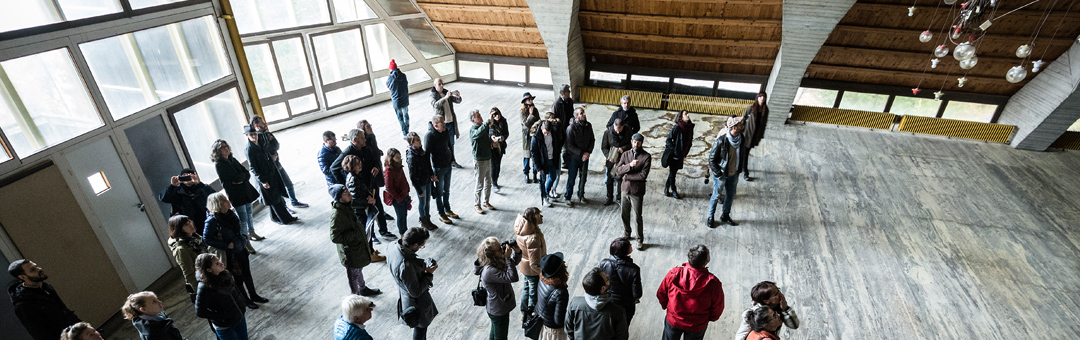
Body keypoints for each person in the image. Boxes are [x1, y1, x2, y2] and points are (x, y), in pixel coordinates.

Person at [204, 193, 266, 309]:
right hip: (231, 254)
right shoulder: (212, 221)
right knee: (238, 278)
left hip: (241, 249)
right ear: (218, 204)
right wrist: (226, 245)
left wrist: (243, 237)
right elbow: (206, 239)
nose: (228, 201)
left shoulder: (230, 213)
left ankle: (254, 295)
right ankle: (246, 300)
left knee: (247, 273)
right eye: (224, 200)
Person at [656, 245, 725, 340]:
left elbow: (661, 293)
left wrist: (667, 308)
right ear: (706, 262)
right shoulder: (713, 284)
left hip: (674, 320)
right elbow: (718, 307)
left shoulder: (674, 274)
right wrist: (708, 318)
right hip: (697, 325)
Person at [7, 259, 81, 340]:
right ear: (22, 277)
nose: (39, 269)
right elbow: (39, 334)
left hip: (75, 333)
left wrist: (82, 326)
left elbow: (64, 311)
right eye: (33, 270)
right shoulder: (23, 303)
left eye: (36, 266)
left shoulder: (47, 287)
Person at [329, 184, 381, 296]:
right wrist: (354, 234)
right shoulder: (337, 215)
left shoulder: (347, 206)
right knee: (353, 276)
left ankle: (362, 289)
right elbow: (334, 237)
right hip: (350, 253)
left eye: (347, 190)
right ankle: (357, 300)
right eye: (344, 193)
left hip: (357, 248)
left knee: (358, 271)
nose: (348, 192)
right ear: (339, 198)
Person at [386, 227, 439, 340]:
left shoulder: (393, 245)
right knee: (420, 328)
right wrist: (429, 274)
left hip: (403, 294)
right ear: (415, 245)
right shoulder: (406, 266)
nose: (420, 248)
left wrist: (419, 266)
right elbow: (416, 292)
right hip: (415, 303)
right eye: (421, 246)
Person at [244, 125, 297, 225]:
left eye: (255, 134)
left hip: (272, 173)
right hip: (264, 177)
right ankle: (285, 219)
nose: (254, 136)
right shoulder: (249, 149)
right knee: (274, 199)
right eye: (251, 135)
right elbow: (253, 168)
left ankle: (276, 218)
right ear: (247, 135)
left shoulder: (260, 143)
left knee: (275, 197)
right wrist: (262, 181)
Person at [250, 116, 307, 208]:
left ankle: (294, 201)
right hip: (270, 169)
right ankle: (285, 207)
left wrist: (271, 140)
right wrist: (270, 154)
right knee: (278, 188)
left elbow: (276, 146)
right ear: (257, 125)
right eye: (262, 123)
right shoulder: (256, 140)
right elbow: (263, 152)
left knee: (288, 183)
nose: (264, 124)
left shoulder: (267, 134)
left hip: (277, 164)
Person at [212, 139, 262, 241]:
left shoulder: (232, 159)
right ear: (217, 150)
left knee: (249, 213)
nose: (226, 149)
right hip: (236, 194)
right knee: (243, 218)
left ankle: (251, 232)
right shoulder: (219, 164)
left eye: (227, 146)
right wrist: (241, 177)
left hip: (245, 190)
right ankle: (245, 240)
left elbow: (246, 173)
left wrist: (241, 177)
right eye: (223, 147)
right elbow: (234, 179)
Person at [474, 237, 522, 340]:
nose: (502, 249)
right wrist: (508, 258)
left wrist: (517, 252)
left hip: (498, 306)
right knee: (501, 337)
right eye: (499, 249)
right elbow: (512, 276)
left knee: (495, 332)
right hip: (498, 309)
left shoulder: (493, 261)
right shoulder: (489, 271)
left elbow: (511, 265)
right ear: (492, 254)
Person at [194, 253, 249, 340]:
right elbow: (200, 311)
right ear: (208, 270)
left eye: (219, 261)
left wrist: (242, 304)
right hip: (225, 326)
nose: (221, 263)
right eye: (217, 264)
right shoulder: (204, 287)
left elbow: (236, 290)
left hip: (239, 317)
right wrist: (223, 316)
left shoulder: (225, 274)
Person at [564, 267, 628, 340]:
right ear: (603, 288)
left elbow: (569, 330)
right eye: (607, 278)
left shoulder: (574, 303)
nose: (609, 277)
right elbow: (622, 337)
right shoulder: (618, 312)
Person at [358, 120, 396, 239]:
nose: (370, 128)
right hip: (368, 181)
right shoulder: (364, 144)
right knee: (373, 207)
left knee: (378, 204)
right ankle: (373, 233)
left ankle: (382, 228)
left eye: (370, 126)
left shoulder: (372, 138)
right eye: (368, 127)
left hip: (375, 175)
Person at [342, 154, 387, 256]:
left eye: (359, 162)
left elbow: (363, 190)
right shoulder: (353, 179)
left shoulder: (357, 176)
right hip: (359, 211)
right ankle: (369, 254)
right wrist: (368, 201)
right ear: (351, 166)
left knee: (369, 231)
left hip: (363, 208)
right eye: (357, 164)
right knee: (365, 232)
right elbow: (355, 199)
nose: (360, 165)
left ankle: (370, 250)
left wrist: (369, 196)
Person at [707, 117, 746, 227]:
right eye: (740, 125)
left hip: (734, 174)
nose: (742, 126)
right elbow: (711, 159)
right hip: (722, 175)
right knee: (716, 195)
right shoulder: (721, 141)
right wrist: (718, 174)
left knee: (730, 195)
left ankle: (725, 215)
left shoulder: (741, 138)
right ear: (734, 127)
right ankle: (710, 216)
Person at [615, 133, 651, 250]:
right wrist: (629, 166)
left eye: (638, 142)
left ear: (641, 143)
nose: (636, 144)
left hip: (637, 191)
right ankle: (627, 232)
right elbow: (618, 170)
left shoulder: (646, 157)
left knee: (637, 217)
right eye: (634, 142)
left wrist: (627, 176)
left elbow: (643, 175)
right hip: (625, 190)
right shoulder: (625, 155)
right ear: (631, 142)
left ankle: (639, 239)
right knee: (624, 213)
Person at [597, 237, 642, 324]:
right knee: (623, 327)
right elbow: (637, 294)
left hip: (606, 302)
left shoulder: (604, 263)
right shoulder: (634, 269)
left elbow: (598, 282)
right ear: (625, 251)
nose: (631, 245)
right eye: (629, 245)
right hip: (626, 306)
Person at [734, 282, 799, 340]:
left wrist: (785, 309)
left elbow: (794, 325)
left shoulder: (778, 307)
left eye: (778, 290)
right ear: (766, 301)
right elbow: (741, 335)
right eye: (776, 294)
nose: (781, 295)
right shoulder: (754, 314)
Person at [158, 168, 215, 235]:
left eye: (189, 176)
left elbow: (215, 197)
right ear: (181, 178)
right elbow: (163, 198)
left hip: (206, 220)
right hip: (187, 225)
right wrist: (172, 186)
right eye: (184, 176)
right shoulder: (177, 191)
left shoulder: (202, 188)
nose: (187, 178)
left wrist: (199, 184)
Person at [513, 207, 547, 319]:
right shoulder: (533, 238)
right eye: (538, 214)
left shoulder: (522, 230)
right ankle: (532, 313)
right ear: (533, 218)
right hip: (532, 270)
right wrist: (542, 274)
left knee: (526, 289)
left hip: (524, 266)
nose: (541, 216)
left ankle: (524, 311)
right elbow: (534, 263)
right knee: (534, 292)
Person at [425, 115, 459, 224]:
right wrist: (431, 173)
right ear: (435, 125)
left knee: (447, 190)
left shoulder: (445, 132)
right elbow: (427, 156)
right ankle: (441, 213)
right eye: (442, 123)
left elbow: (449, 145)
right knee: (439, 193)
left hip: (448, 165)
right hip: (438, 168)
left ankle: (447, 209)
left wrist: (452, 159)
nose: (444, 124)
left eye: (444, 122)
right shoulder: (430, 136)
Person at [405, 132, 439, 230]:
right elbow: (412, 175)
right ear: (412, 143)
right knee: (422, 202)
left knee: (427, 201)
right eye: (416, 140)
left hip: (427, 180)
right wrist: (419, 190)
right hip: (421, 183)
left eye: (419, 138)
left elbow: (428, 165)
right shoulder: (412, 156)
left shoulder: (422, 152)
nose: (419, 140)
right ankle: (423, 221)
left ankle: (428, 219)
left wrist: (432, 174)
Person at [167, 215, 208, 289]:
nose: (191, 224)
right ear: (179, 229)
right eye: (186, 224)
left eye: (189, 221)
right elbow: (189, 274)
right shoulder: (181, 249)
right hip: (204, 280)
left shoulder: (193, 237)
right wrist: (200, 291)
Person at [564, 107, 594, 207]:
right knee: (571, 179)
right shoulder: (571, 128)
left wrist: (588, 153)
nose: (584, 114)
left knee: (583, 178)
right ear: (576, 116)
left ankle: (581, 195)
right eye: (581, 113)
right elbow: (569, 146)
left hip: (585, 158)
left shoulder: (588, 125)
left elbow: (592, 140)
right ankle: (567, 197)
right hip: (574, 158)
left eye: (584, 112)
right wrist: (582, 153)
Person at [535, 252, 569, 340]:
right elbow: (558, 320)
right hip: (553, 332)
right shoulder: (561, 292)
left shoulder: (543, 279)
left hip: (541, 323)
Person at [430, 78, 463, 168]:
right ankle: (446, 161)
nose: (441, 86)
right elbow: (435, 105)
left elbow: (457, 101)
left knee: (451, 143)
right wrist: (445, 98)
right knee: (443, 144)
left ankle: (453, 161)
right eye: (439, 84)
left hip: (451, 122)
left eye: (442, 84)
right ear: (435, 85)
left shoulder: (446, 92)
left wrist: (458, 96)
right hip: (442, 124)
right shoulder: (433, 95)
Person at [662, 110, 695, 199]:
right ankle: (673, 190)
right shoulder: (677, 127)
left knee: (673, 172)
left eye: (688, 114)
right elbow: (668, 140)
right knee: (673, 173)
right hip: (674, 155)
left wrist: (685, 153)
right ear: (681, 117)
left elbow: (689, 141)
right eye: (685, 114)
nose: (688, 115)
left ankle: (666, 188)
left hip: (681, 154)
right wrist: (674, 150)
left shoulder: (690, 127)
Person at [470, 109, 495, 214]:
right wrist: (487, 122)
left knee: (488, 182)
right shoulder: (473, 130)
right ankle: (477, 204)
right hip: (479, 160)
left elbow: (485, 139)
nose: (480, 117)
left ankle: (486, 201)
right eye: (477, 116)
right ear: (473, 120)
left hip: (487, 157)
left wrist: (492, 142)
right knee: (479, 184)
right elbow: (478, 134)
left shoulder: (483, 128)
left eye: (480, 115)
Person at [601, 118, 631, 206]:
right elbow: (604, 147)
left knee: (620, 179)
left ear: (623, 127)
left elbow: (630, 144)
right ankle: (609, 197)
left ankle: (619, 198)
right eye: (616, 130)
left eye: (620, 130)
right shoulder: (607, 133)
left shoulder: (627, 131)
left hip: (622, 159)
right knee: (609, 179)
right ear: (613, 126)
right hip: (611, 159)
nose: (618, 132)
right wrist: (608, 156)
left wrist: (623, 148)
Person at [740, 92, 769, 182]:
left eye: (763, 97)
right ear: (757, 98)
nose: (762, 98)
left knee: (745, 152)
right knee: (745, 153)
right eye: (760, 97)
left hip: (755, 135)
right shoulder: (751, 107)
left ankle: (741, 167)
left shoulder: (766, 110)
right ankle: (746, 173)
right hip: (747, 133)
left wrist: (760, 136)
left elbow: (764, 124)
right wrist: (740, 130)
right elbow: (743, 118)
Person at [384, 148, 412, 236]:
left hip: (404, 195)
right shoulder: (388, 172)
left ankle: (405, 231)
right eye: (397, 157)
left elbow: (403, 178)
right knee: (401, 216)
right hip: (398, 198)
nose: (400, 159)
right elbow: (389, 188)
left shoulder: (399, 167)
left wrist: (407, 189)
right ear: (391, 159)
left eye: (400, 156)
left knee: (405, 215)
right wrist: (398, 197)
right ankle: (402, 234)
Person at [531, 121, 558, 207]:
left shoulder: (553, 132)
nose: (546, 134)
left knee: (553, 176)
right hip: (542, 161)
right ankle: (544, 197)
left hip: (551, 159)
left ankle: (546, 192)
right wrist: (538, 168)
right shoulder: (536, 137)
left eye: (548, 133)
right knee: (542, 180)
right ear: (542, 128)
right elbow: (534, 153)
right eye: (545, 133)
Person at [520, 92, 541, 183]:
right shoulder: (522, 112)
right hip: (526, 137)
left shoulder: (535, 110)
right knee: (526, 156)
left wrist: (533, 115)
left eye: (531, 99)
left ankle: (535, 174)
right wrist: (531, 115)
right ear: (525, 101)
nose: (531, 101)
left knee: (535, 155)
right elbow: (525, 125)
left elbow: (539, 121)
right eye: (529, 99)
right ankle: (526, 174)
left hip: (534, 135)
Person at [387, 59, 410, 137]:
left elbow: (388, 86)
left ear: (391, 69)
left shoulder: (391, 78)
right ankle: (407, 129)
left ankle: (404, 132)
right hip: (405, 99)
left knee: (400, 117)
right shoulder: (403, 75)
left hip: (396, 101)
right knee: (406, 115)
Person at [488, 108, 509, 192]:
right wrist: (492, 137)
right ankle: (494, 183)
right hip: (492, 147)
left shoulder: (503, 121)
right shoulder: (489, 123)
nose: (497, 116)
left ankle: (496, 179)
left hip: (501, 146)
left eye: (498, 114)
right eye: (494, 115)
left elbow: (506, 132)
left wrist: (503, 137)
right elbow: (488, 133)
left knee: (498, 164)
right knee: (493, 165)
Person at [553, 85, 575, 162]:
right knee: (562, 146)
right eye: (568, 91)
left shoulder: (570, 101)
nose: (570, 92)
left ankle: (566, 161)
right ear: (564, 93)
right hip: (560, 128)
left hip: (569, 126)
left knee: (568, 144)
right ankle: (563, 162)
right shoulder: (557, 104)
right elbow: (553, 118)